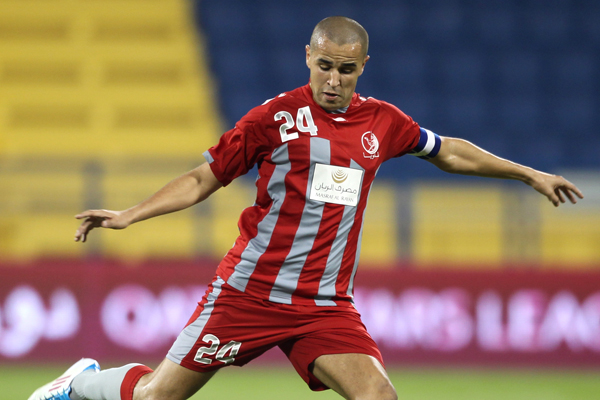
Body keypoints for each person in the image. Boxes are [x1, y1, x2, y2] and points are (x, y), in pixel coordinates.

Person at [29, 16, 583, 400]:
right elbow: (204, 178)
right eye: (324, 66)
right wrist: (131, 214)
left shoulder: (384, 122)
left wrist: (527, 173)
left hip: (323, 304)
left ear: (363, 66)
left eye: (347, 69)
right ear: (308, 58)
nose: (334, 80)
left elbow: (449, 152)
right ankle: (79, 383)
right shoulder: (272, 119)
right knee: (157, 395)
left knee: (378, 395)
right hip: (250, 293)